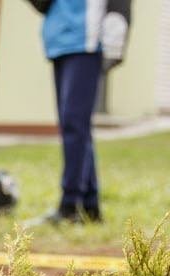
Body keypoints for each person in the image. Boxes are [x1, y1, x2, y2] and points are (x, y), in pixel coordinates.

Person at [25, 0, 131, 226]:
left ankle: (70, 205)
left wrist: (116, 36)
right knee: (73, 125)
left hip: (88, 41)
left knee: (75, 124)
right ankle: (89, 206)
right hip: (59, 41)